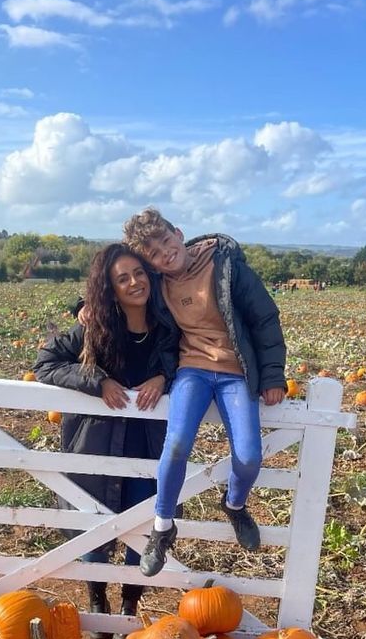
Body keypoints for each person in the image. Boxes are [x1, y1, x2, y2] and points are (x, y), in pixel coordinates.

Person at [121, 207, 287, 577]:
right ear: (150, 262)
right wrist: (84, 308)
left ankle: (234, 504)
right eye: (153, 252)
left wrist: (273, 375)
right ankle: (162, 528)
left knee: (247, 457)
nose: (164, 252)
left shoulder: (226, 267)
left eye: (166, 241)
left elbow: (264, 317)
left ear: (178, 234)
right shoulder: (158, 284)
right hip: (192, 371)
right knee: (176, 443)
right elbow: (116, 294)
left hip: (235, 372)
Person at [33, 243, 179, 637]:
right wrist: (97, 381)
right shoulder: (93, 325)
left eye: (139, 273)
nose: (134, 282)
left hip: (148, 444)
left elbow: (186, 361)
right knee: (93, 519)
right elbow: (45, 363)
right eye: (122, 278)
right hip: (95, 440)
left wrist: (164, 376)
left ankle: (132, 600)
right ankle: (97, 594)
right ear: (110, 288)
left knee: (143, 524)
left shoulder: (168, 324)